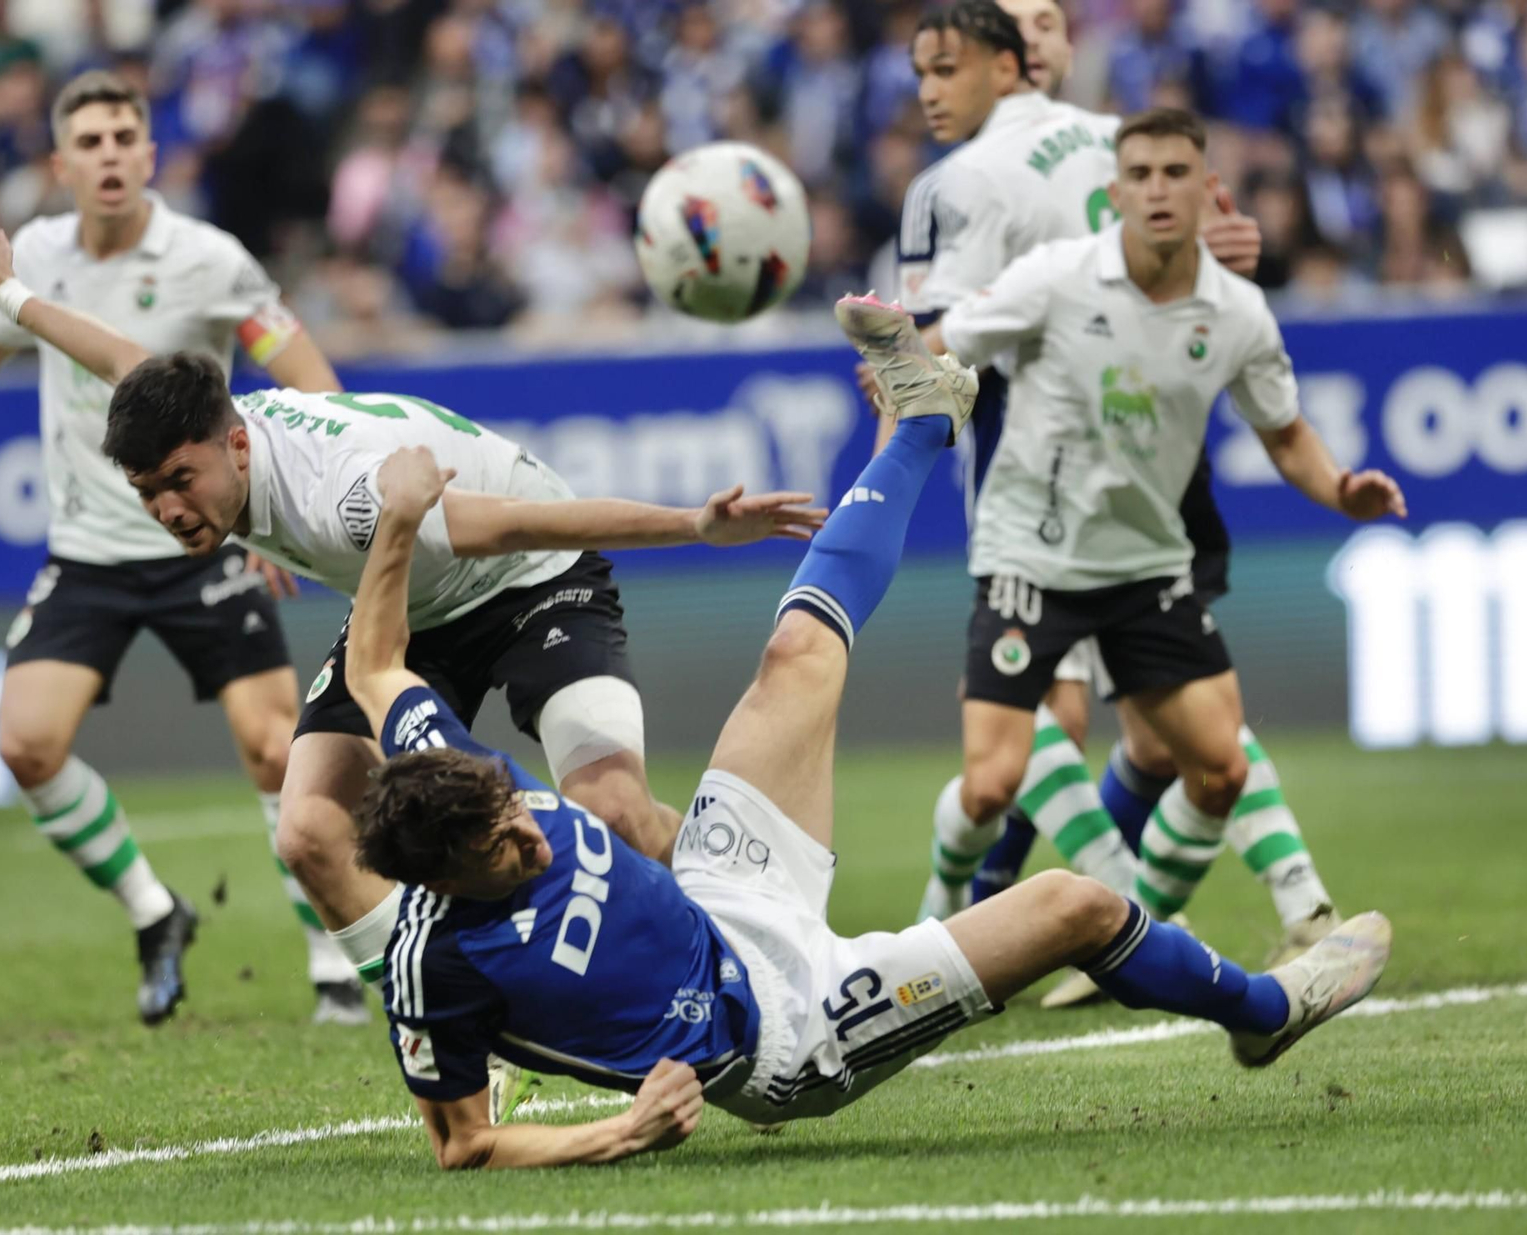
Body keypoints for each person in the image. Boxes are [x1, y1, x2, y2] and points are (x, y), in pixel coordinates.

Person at [345, 294, 1391, 1169]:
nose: (529, 832)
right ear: (440, 877)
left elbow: (376, 665)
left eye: (510, 813)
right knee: (1072, 902)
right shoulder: (431, 963)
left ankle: (924, 420)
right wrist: (619, 1128)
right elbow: (464, 1145)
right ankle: (1264, 1009)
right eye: (501, 849)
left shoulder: (457, 775)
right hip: (785, 1033)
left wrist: (396, 518)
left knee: (793, 656)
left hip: (724, 894)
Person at [0, 182, 827, 1047]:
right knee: (309, 832)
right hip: (417, 597)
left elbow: (520, 523)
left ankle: (761, 924)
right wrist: (11, 293)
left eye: (182, 482)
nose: (170, 508)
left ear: (237, 445)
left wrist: (694, 526)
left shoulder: (348, 496)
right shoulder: (201, 418)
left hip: (533, 581)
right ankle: (455, 1036)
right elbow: (117, 357)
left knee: (616, 815)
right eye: (150, 492)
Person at [874, 106, 1408, 1002]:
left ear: (1208, 188)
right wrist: (897, 360)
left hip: (1147, 566)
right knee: (991, 783)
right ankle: (935, 918)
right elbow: (944, 345)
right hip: (1030, 559)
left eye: (1176, 173)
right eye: (1142, 175)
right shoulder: (1057, 276)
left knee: (1219, 766)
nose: (1159, 190)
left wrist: (1340, 487)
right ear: (1114, 191)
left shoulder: (1237, 313)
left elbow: (1286, 437)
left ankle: (1138, 933)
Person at [0, 71, 353, 1028]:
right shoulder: (39, 256)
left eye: (124, 137)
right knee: (25, 742)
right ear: (61, 165)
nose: (108, 154)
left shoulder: (211, 260)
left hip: (206, 545)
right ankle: (156, 912)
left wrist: (284, 495)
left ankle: (334, 964)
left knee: (275, 747)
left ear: (150, 155)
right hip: (90, 551)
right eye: (89, 141)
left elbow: (305, 375)